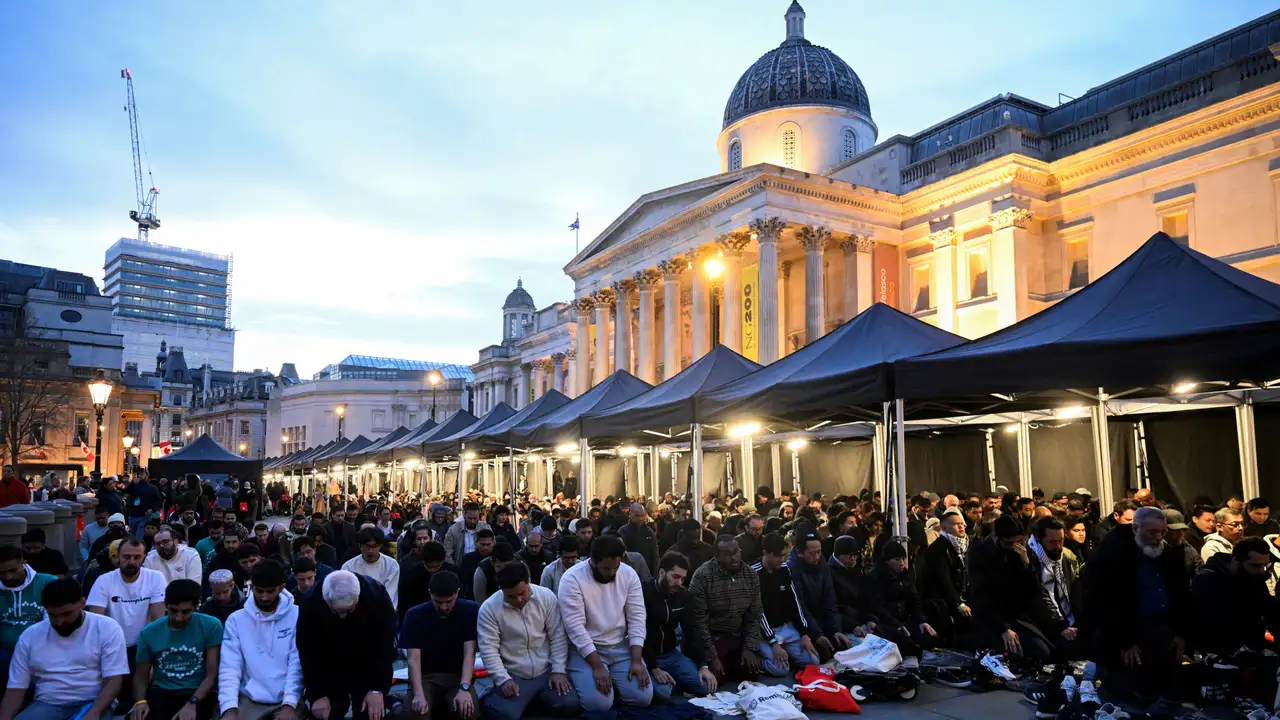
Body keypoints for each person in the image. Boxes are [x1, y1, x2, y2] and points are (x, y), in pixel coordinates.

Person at [1082, 506, 1190, 706]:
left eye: (1162, 532)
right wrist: (1123, 641)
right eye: (1152, 532)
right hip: (1127, 629)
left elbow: (1181, 595)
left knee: (1172, 689)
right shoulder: (1112, 554)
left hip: (1163, 626)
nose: (1158, 537)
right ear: (1136, 529)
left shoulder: (1170, 554)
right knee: (1136, 690)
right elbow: (1105, 601)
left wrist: (1181, 633)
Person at [0, 578, 128, 720]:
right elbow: (16, 688)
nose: (60, 622)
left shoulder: (106, 627)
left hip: (94, 702)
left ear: (83, 603)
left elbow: (114, 680)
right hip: (48, 704)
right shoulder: (30, 636)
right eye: (52, 616)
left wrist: (94, 713)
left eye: (66, 614)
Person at [558, 534, 651, 711]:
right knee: (599, 704)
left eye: (615, 568)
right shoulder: (572, 579)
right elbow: (575, 628)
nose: (612, 573)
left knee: (643, 698)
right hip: (585, 650)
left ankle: (614, 687)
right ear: (592, 561)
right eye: (606, 569)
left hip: (620, 647)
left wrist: (637, 660)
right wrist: (597, 666)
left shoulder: (628, 573)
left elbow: (637, 617)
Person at [477, 563, 578, 719]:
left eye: (522, 593)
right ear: (501, 589)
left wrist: (558, 670)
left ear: (529, 581)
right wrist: (503, 680)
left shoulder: (546, 597)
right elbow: (488, 649)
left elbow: (558, 635)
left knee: (570, 703)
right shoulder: (489, 609)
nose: (518, 599)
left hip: (546, 670)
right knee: (505, 713)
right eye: (511, 596)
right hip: (514, 673)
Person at [297, 571, 396, 720]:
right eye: (336, 612)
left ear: (357, 598)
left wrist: (377, 689)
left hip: (367, 660)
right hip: (329, 660)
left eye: (348, 610)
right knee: (326, 714)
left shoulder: (376, 596)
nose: (343, 616)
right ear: (326, 601)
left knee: (371, 713)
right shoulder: (311, 602)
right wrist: (317, 695)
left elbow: (384, 646)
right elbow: (307, 651)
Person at [86, 537, 165, 708]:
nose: (131, 562)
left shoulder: (156, 578)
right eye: (126, 557)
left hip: (143, 645)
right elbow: (97, 622)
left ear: (144, 557)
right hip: (112, 646)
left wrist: (154, 657)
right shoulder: (104, 581)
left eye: (137, 557)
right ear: (117, 557)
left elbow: (158, 621)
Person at [218, 560, 302, 720]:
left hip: (289, 699)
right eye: (259, 591)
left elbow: (296, 664)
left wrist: (290, 704)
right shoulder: (236, 620)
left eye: (270, 591)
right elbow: (230, 667)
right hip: (249, 699)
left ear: (282, 587)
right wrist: (229, 708)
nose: (264, 597)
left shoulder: (297, 615)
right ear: (252, 587)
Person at [132, 579, 221, 720]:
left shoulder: (211, 626)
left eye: (186, 612)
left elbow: (212, 673)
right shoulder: (150, 632)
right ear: (166, 605)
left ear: (196, 606)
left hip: (197, 691)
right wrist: (140, 702)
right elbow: (140, 676)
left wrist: (193, 702)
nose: (179, 617)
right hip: (161, 692)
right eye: (173, 611)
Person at [400, 571, 478, 720]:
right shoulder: (415, 615)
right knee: (416, 713)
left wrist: (465, 687)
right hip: (426, 676)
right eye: (438, 601)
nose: (443, 607)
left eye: (449, 601)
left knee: (468, 712)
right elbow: (413, 659)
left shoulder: (469, 610)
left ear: (458, 593)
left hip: (457, 676)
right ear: (430, 593)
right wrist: (418, 694)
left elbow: (470, 653)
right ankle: (398, 708)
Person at [689, 536, 766, 684]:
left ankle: (732, 663)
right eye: (728, 554)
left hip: (737, 635)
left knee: (752, 673)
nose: (734, 557)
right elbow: (698, 622)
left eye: (736, 551)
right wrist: (712, 656)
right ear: (717, 556)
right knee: (713, 680)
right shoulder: (702, 576)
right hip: (712, 637)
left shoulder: (751, 575)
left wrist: (749, 648)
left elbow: (755, 616)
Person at [643, 552, 718, 698]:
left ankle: (674, 681)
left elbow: (692, 631)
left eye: (683, 579)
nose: (679, 583)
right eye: (675, 577)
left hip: (671, 654)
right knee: (664, 693)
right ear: (662, 572)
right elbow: (639, 634)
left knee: (705, 686)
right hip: (646, 656)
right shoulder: (644, 593)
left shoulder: (684, 596)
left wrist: (703, 665)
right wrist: (654, 667)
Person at [1192, 537, 1280, 656]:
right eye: (1255, 565)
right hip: (1221, 650)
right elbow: (1216, 623)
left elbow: (1270, 609)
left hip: (1252, 646)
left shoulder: (1253, 576)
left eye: (1264, 565)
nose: (1261, 570)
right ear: (1236, 560)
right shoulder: (1209, 580)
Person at [752, 534, 820, 677]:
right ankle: (759, 660)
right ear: (766, 553)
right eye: (778, 556)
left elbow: (794, 602)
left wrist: (804, 633)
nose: (782, 560)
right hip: (763, 632)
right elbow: (757, 612)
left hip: (785, 628)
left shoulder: (784, 569)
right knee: (780, 669)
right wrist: (773, 642)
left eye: (784, 556)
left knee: (813, 660)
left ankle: (787, 654)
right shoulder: (753, 573)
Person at [864, 541, 937, 658]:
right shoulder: (875, 577)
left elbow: (914, 600)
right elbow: (877, 606)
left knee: (929, 636)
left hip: (905, 620)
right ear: (887, 561)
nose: (902, 563)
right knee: (903, 642)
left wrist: (921, 621)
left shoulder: (906, 575)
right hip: (886, 623)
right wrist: (896, 625)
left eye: (903, 559)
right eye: (897, 559)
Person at [0, 547, 55, 689]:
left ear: (24, 563)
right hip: (4, 651)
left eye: (12, 571)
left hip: (40, 648)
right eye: (2, 573)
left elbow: (53, 623)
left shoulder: (47, 582)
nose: (7, 577)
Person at [786, 532, 849, 657]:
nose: (816, 557)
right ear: (799, 552)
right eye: (811, 553)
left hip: (820, 618)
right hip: (802, 623)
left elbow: (829, 598)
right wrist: (817, 635)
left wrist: (835, 630)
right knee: (819, 655)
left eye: (819, 552)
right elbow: (800, 607)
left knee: (841, 645)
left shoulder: (822, 564)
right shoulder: (791, 569)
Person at [920, 508, 971, 647]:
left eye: (962, 523)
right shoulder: (938, 549)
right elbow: (943, 579)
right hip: (943, 602)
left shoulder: (966, 545)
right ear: (944, 528)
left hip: (961, 595)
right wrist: (958, 603)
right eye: (956, 524)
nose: (961, 526)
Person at [397, 541, 457, 624]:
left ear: (442, 561)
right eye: (428, 567)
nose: (432, 570)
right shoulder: (412, 575)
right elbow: (404, 601)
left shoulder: (452, 573)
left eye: (436, 567)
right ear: (423, 561)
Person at [341, 528, 400, 610]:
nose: (370, 550)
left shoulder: (392, 565)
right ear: (360, 546)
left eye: (374, 546)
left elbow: (390, 595)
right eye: (367, 546)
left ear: (380, 546)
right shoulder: (348, 566)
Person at [443, 503, 490, 568]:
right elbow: (447, 552)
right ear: (464, 515)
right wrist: (453, 569)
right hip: (460, 568)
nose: (472, 521)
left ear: (479, 516)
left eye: (475, 518)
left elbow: (492, 548)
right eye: (470, 518)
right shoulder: (453, 530)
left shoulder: (486, 528)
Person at [473, 541, 517, 606]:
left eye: (506, 568)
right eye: (499, 567)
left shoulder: (520, 566)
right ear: (492, 562)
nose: (503, 572)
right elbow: (480, 602)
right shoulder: (481, 573)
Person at [618, 503, 658, 574]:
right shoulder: (623, 531)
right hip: (630, 572)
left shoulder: (649, 532)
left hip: (647, 573)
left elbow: (655, 555)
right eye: (637, 516)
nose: (640, 519)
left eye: (642, 516)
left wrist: (654, 574)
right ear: (630, 515)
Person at [457, 529, 495, 602]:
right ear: (476, 542)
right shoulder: (467, 559)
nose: (485, 548)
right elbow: (462, 582)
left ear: (493, 543)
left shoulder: (497, 559)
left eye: (488, 544)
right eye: (482, 544)